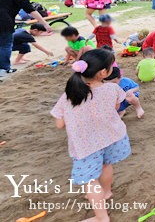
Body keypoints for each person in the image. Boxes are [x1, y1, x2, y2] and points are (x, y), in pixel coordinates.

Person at [50, 49, 131, 222]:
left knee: (89, 181)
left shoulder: (69, 95)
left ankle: (101, 218)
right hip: (111, 136)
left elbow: (59, 124)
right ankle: (107, 192)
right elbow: (116, 108)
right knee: (106, 164)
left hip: (85, 144)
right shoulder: (113, 88)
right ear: (103, 73)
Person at [0, 0, 52, 76]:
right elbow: (31, 11)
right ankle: (4, 69)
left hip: (5, 20)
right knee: (5, 45)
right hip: (4, 23)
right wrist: (45, 24)